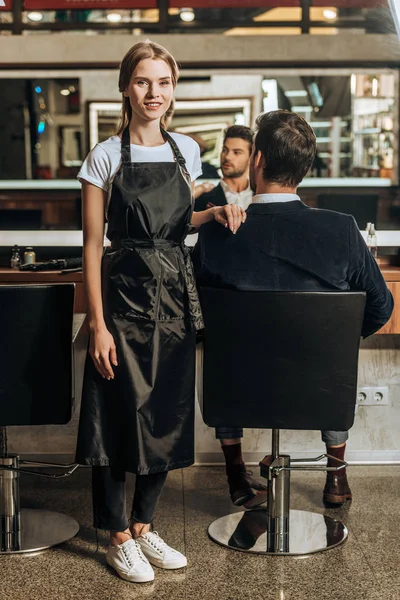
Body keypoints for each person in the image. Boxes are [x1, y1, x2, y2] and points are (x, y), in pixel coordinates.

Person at [75, 40, 246, 585]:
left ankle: (145, 526)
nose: (155, 93)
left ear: (173, 90)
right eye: (144, 82)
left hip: (174, 300)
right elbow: (92, 245)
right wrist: (98, 325)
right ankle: (117, 534)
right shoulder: (103, 156)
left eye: (164, 83)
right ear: (126, 86)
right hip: (121, 303)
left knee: (167, 416)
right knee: (114, 414)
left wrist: (211, 211)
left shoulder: (187, 151)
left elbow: (174, 226)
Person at [193, 109, 393, 508]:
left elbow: (197, 315)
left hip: (236, 388)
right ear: (304, 167)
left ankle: (236, 473)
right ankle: (336, 476)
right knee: (333, 356)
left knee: (225, 349)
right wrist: (331, 337)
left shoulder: (218, 233)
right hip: (319, 387)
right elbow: (381, 306)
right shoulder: (341, 229)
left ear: (258, 160)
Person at [194, 125, 253, 212]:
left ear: (250, 157)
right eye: (225, 150)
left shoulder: (259, 195)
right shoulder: (203, 199)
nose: (227, 157)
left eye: (236, 152)